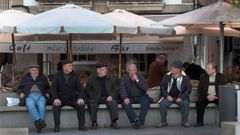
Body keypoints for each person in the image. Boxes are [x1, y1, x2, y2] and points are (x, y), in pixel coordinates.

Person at [51, 60, 88, 132]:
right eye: (70, 66)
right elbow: (53, 89)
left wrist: (80, 98)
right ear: (64, 67)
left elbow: (80, 88)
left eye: (71, 66)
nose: (72, 67)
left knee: (81, 104)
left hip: (72, 98)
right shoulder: (57, 76)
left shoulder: (75, 75)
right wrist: (55, 98)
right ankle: (57, 125)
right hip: (61, 98)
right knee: (55, 105)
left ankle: (81, 125)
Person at [157, 60, 192, 128]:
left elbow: (188, 90)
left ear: (179, 69)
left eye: (173, 67)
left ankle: (184, 121)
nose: (171, 69)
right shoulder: (166, 76)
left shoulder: (186, 78)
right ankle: (163, 121)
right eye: (171, 67)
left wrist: (181, 97)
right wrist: (167, 96)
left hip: (180, 97)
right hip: (169, 97)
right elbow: (162, 87)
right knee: (163, 104)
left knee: (185, 103)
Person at [85, 64, 119, 129]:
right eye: (103, 69)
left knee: (113, 103)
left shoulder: (110, 78)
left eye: (105, 69)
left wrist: (111, 96)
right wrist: (93, 96)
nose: (105, 71)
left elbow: (115, 88)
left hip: (107, 97)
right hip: (96, 97)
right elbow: (87, 90)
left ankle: (114, 122)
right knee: (92, 103)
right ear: (98, 70)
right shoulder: (92, 78)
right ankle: (94, 122)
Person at [17, 64, 50, 133]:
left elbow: (48, 87)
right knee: (30, 105)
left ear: (38, 70)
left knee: (41, 106)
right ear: (29, 71)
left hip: (41, 95)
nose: (35, 71)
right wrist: (20, 93)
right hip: (29, 95)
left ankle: (38, 124)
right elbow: (19, 88)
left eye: (36, 70)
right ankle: (40, 122)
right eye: (33, 70)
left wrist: (48, 93)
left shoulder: (43, 77)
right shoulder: (25, 77)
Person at [194, 62, 228, 127]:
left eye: (208, 69)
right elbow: (200, 89)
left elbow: (224, 88)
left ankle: (225, 122)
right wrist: (207, 96)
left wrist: (216, 96)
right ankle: (200, 122)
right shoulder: (203, 76)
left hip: (218, 97)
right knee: (199, 102)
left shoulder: (221, 77)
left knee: (224, 103)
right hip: (206, 96)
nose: (206, 70)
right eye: (206, 68)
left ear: (214, 69)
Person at [120, 60, 150, 129]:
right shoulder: (124, 78)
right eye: (131, 70)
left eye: (134, 70)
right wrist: (125, 98)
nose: (132, 72)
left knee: (146, 102)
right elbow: (122, 89)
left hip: (140, 96)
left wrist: (137, 80)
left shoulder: (140, 76)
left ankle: (140, 120)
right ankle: (135, 119)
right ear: (127, 70)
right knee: (126, 103)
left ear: (136, 70)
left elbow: (145, 88)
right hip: (129, 97)